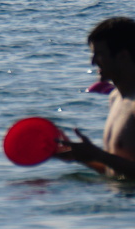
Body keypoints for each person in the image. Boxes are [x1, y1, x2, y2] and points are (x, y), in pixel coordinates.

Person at [55, 16, 135, 178]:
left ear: (123, 56)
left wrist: (98, 155)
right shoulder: (115, 98)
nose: (92, 62)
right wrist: (82, 157)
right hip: (117, 199)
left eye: (99, 54)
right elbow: (115, 172)